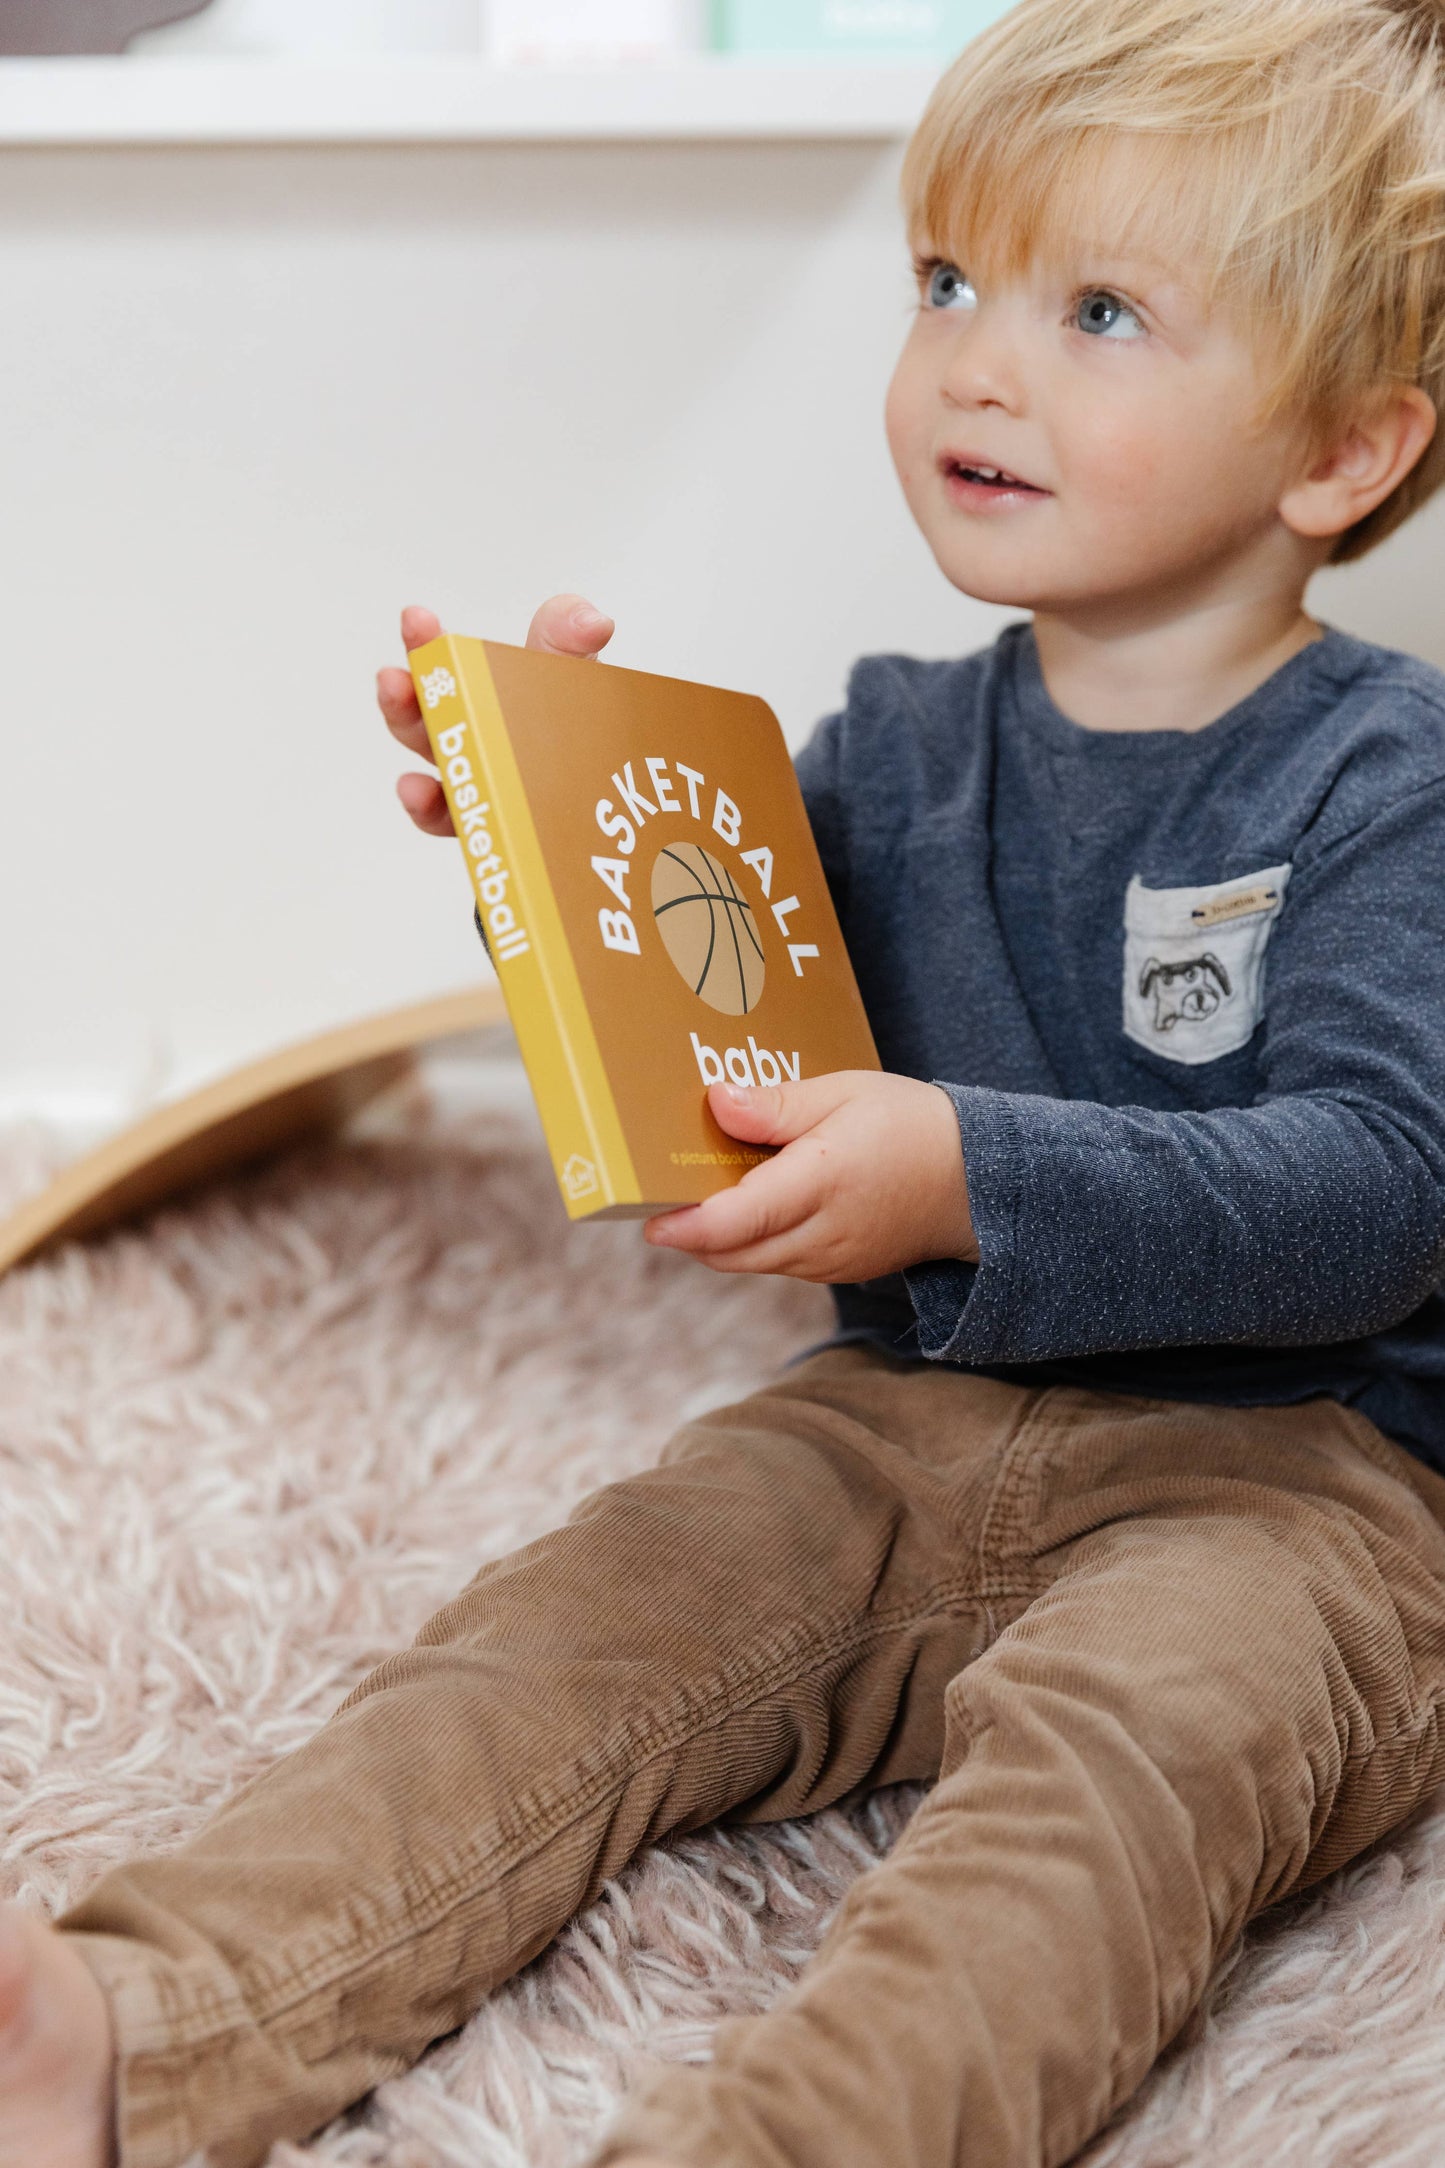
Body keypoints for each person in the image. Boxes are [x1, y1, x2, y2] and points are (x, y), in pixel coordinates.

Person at [5, 0, 1445, 2162]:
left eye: (1102, 310)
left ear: (1343, 453)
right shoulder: (885, 747)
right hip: (902, 1419)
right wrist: (545, 831)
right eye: (945, 282)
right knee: (573, 1627)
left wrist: (965, 1170)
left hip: (1298, 1484)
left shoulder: (1389, 775)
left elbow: (1381, 1185)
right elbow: (727, 1019)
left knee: (1122, 1777)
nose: (976, 359)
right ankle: (135, 2019)